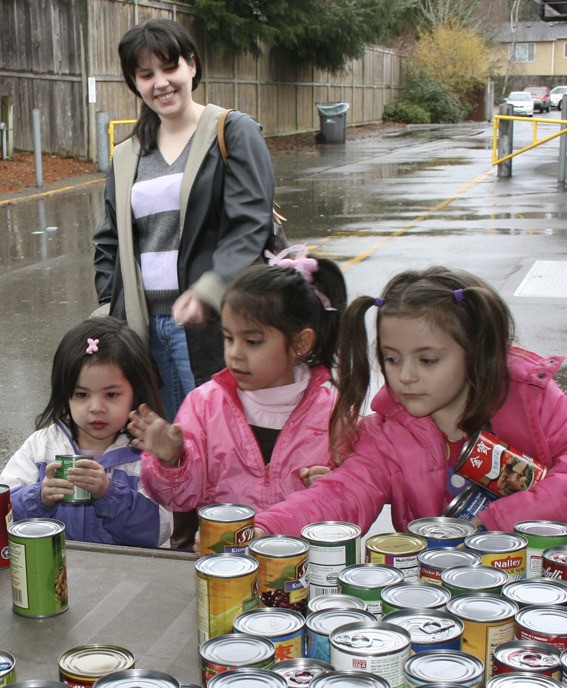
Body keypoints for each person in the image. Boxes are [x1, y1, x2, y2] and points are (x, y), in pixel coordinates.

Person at [252, 266, 567, 537]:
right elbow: (342, 493)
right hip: (443, 586)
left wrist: (504, 520)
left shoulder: (530, 400)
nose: (405, 376)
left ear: (475, 353)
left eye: (427, 360)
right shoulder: (386, 435)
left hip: (549, 571)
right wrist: (266, 528)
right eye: (392, 359)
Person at [93, 18, 275, 421]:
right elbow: (108, 242)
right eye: (146, 74)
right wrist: (111, 307)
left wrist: (209, 290)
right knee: (168, 451)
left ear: (192, 65)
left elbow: (250, 224)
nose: (160, 82)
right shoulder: (126, 157)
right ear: (134, 83)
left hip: (216, 325)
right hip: (145, 334)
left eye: (169, 67)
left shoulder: (231, 132)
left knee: (225, 442)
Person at [128, 249, 347, 513]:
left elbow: (356, 501)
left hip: (301, 555)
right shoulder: (204, 406)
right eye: (229, 338)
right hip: (224, 553)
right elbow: (179, 499)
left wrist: (334, 491)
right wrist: (171, 460)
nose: (235, 354)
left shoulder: (335, 413)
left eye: (253, 341)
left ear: (300, 342)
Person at [1, 318, 172, 547]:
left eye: (111, 395)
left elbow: (159, 531)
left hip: (124, 577)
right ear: (65, 394)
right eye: (82, 394)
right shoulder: (42, 447)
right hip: (53, 573)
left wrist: (109, 494)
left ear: (135, 393)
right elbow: (5, 513)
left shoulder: (145, 457)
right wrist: (39, 497)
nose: (96, 408)